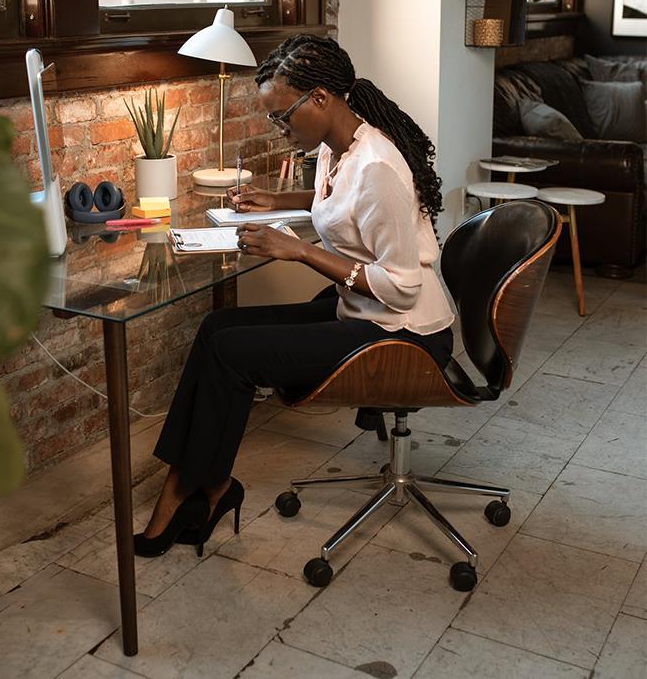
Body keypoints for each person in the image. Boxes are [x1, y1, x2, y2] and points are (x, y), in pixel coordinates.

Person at [134, 34, 455, 559]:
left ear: (322, 98)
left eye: (283, 117)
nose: (280, 130)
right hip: (364, 312)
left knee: (232, 354)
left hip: (404, 335)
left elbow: (402, 287)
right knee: (217, 329)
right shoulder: (340, 146)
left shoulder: (377, 166)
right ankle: (203, 484)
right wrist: (277, 200)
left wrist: (300, 252)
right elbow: (342, 200)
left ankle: (189, 491)